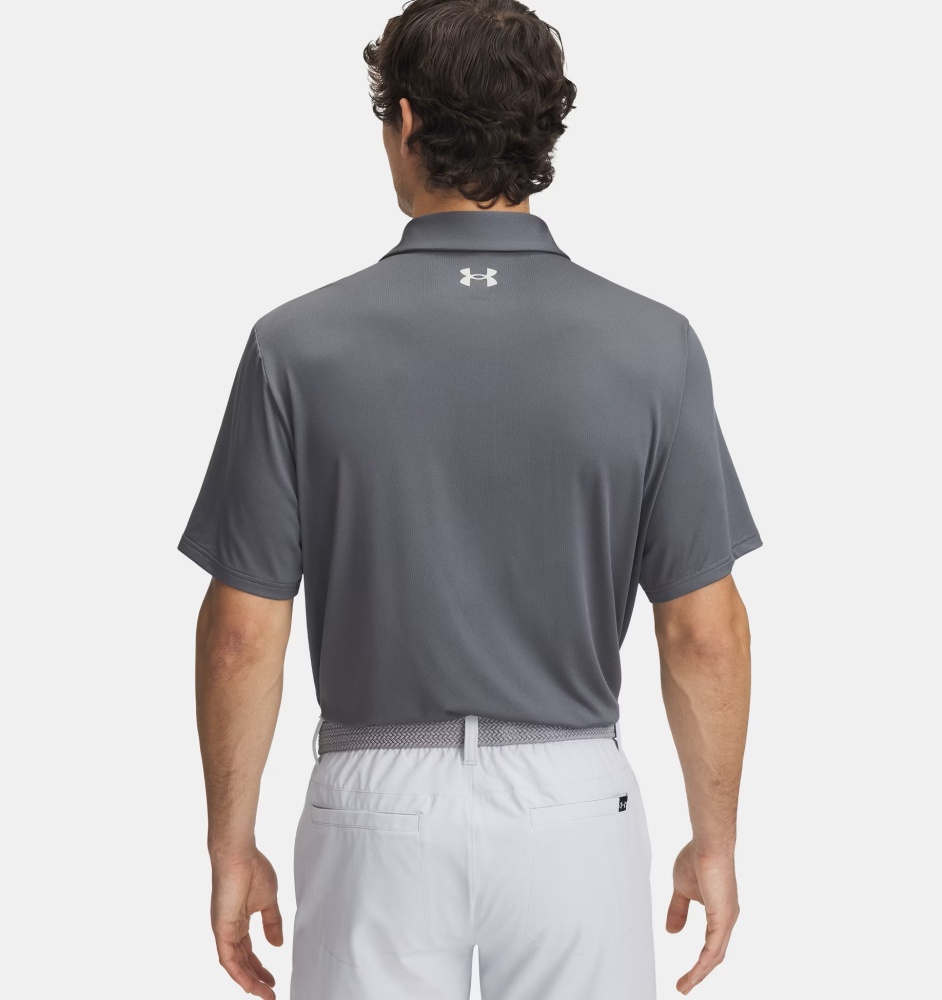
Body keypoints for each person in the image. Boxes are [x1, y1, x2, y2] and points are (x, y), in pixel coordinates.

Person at [177, 1, 762, 997]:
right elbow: (704, 635)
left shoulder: (296, 345)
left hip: (372, 800)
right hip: (575, 802)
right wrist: (715, 842)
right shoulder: (655, 346)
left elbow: (241, 635)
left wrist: (230, 847)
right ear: (542, 131)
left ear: (404, 122)